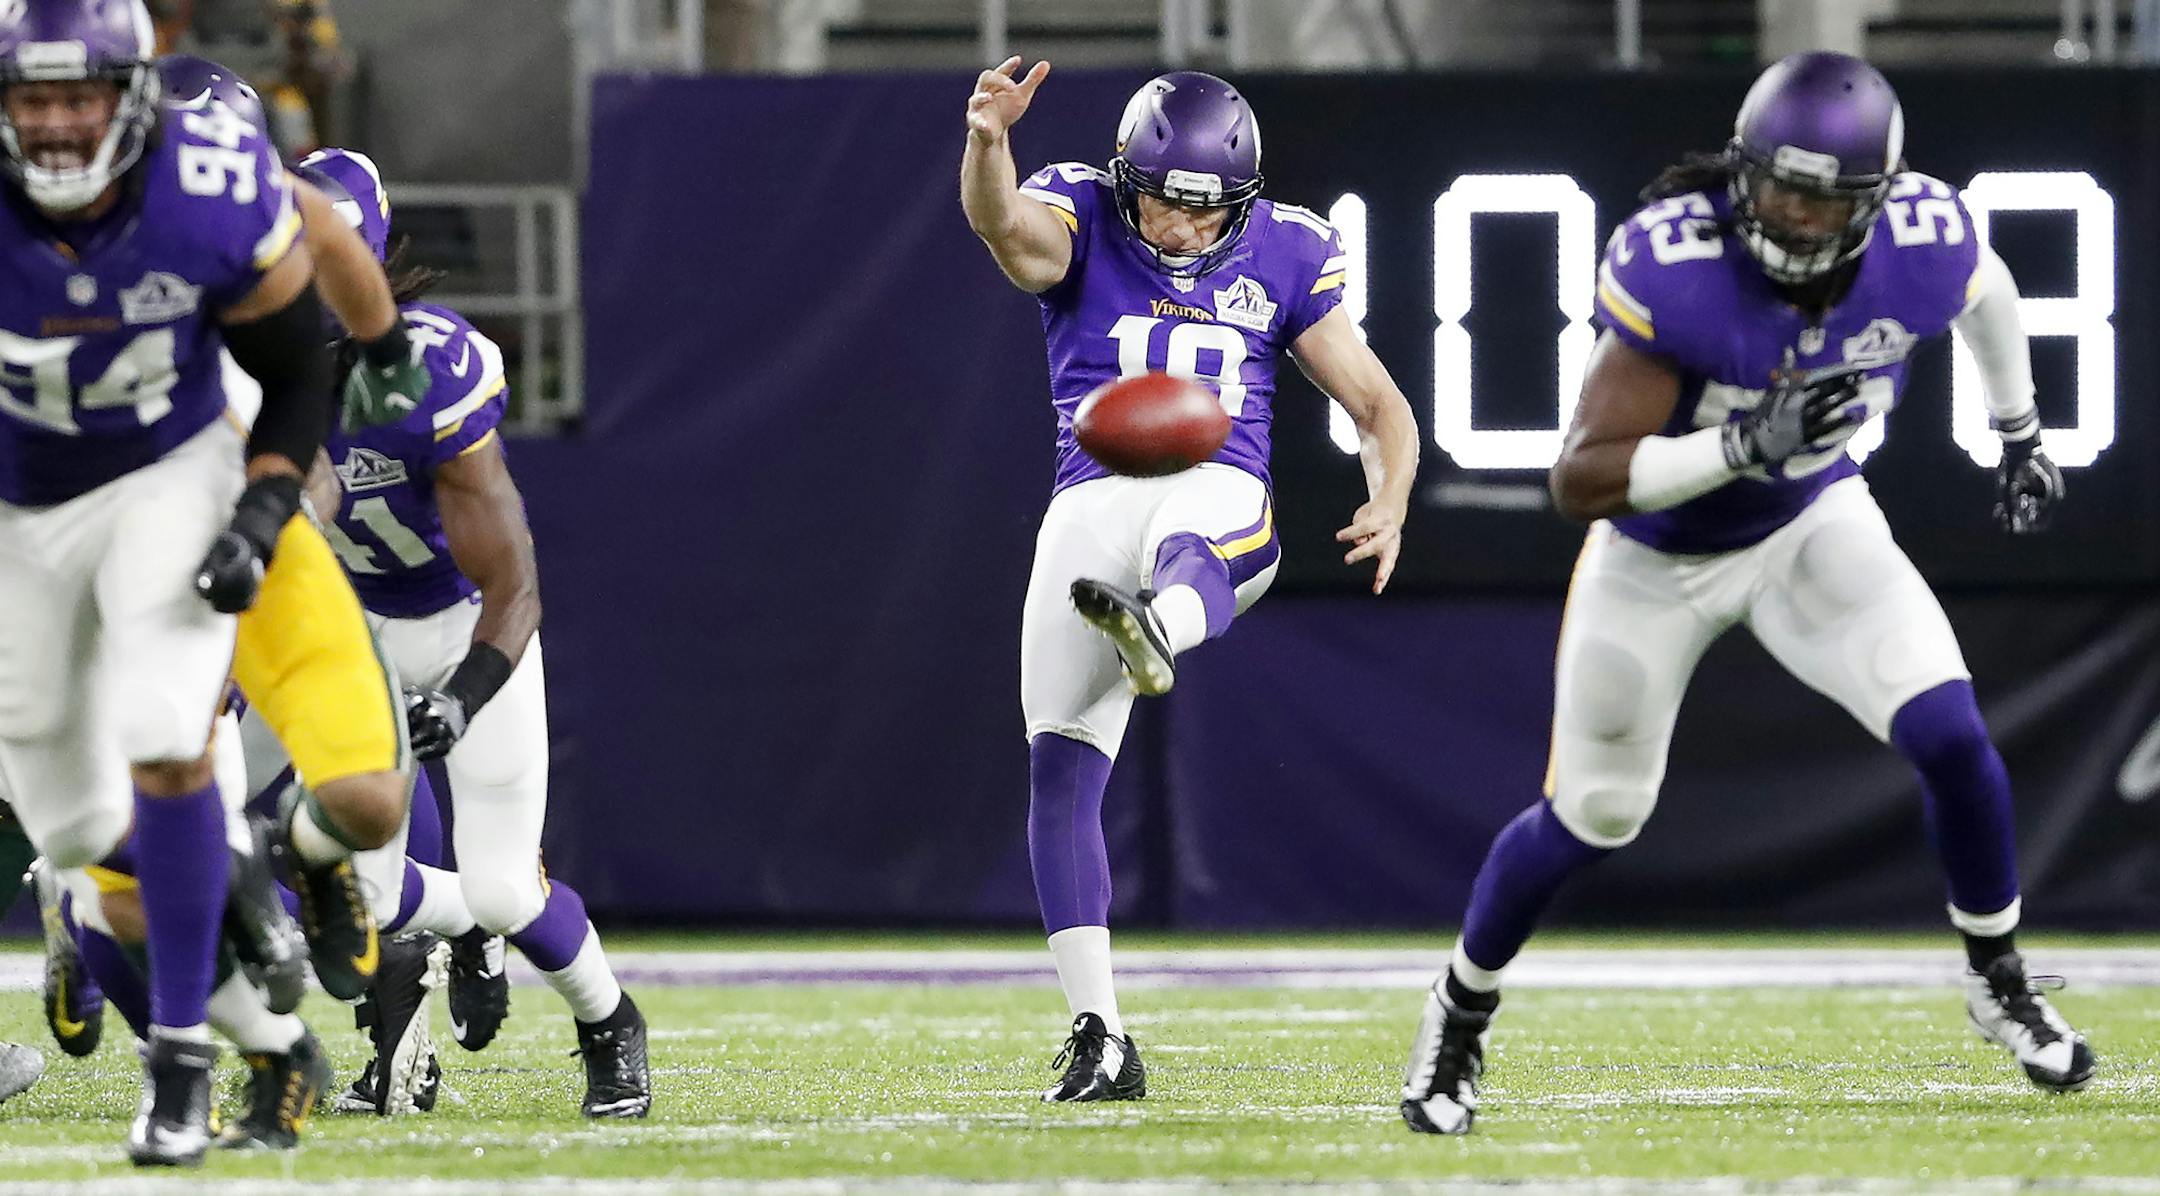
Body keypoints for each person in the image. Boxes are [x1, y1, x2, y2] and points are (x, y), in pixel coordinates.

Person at [1400, 51, 2088, 1137]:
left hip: (1809, 519)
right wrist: (1741, 443)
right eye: (1780, 187)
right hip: (1655, 553)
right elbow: (1580, 479)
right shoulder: (1679, 268)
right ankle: (1458, 1009)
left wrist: (2021, 433)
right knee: (1595, 814)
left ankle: (1996, 974)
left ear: (1879, 199)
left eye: (1827, 196)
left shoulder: (1926, 234)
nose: (1800, 215)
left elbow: (1989, 289)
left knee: (1954, 735)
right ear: (1741, 174)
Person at [961, 60, 1421, 1101]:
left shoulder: (1291, 249)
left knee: (1206, 525)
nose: (1179, 226)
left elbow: (1379, 406)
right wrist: (990, 141)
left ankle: (1160, 623)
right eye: (1164, 200)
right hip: (1091, 498)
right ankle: (1100, 1031)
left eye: (1205, 210)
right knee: (1059, 768)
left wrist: (1388, 495)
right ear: (1129, 181)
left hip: (1214, 486)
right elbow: (1006, 232)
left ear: (1242, 205)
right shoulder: (1078, 204)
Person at [0, 0, 336, 1162]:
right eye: (30, 97)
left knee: (159, 733)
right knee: (78, 826)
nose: (52, 124)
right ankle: (239, 891)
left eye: (76, 95)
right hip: (19, 498)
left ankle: (183, 1059)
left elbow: (301, 361)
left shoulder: (205, 180)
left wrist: (260, 505)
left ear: (130, 95)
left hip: (166, 468)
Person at [308, 146, 652, 1120]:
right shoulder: (249, 367)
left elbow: (514, 582)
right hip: (353, 628)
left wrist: (458, 699)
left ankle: (609, 1019)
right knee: (353, 889)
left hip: (467, 628)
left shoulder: (425, 368)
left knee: (503, 887)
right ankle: (438, 969)